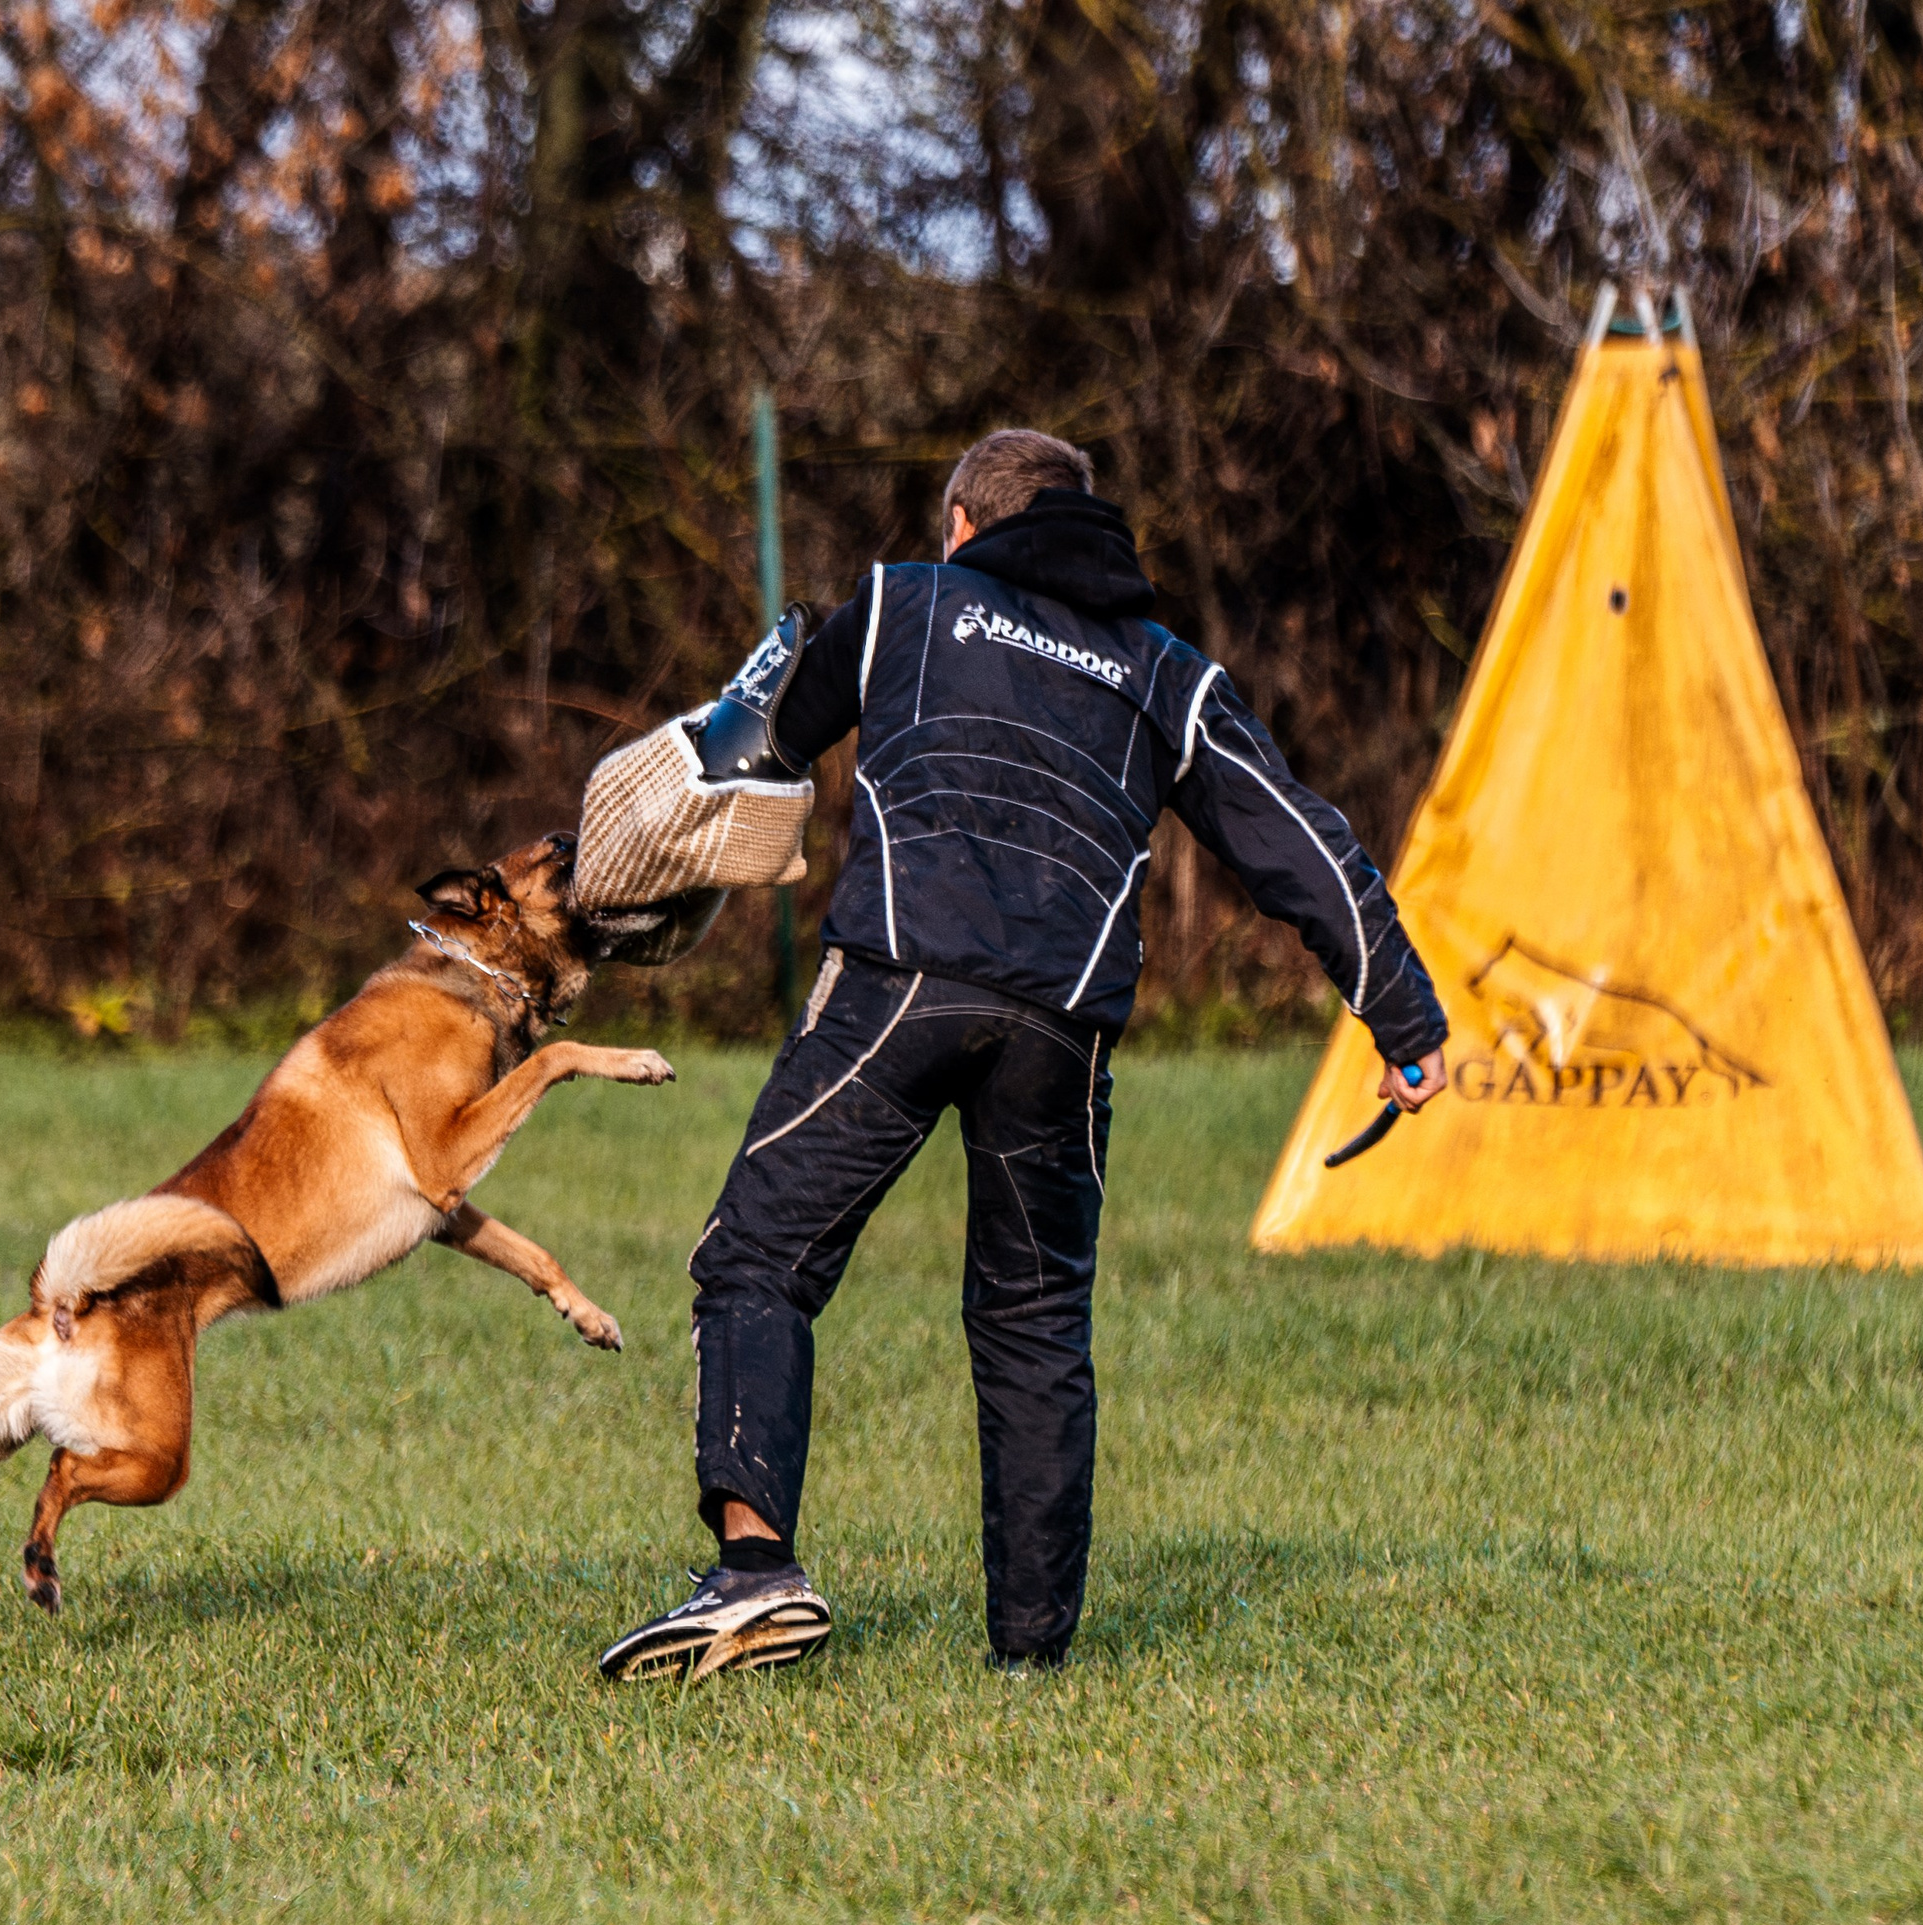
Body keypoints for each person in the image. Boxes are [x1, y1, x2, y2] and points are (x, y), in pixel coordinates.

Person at [598, 430, 1450, 1682]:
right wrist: (1406, 1018)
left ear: (962, 525)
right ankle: (1030, 1659)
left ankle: (754, 1572)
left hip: (900, 978)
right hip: (1064, 1021)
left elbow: (743, 747)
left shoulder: (899, 601)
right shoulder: (1167, 672)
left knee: (759, 1255)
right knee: (1035, 1320)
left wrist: (622, 889)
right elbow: (1298, 843)